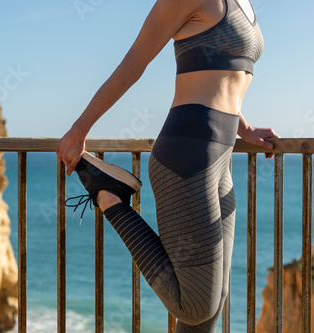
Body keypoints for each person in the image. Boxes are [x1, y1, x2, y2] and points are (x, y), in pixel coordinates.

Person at [56, 0, 279, 331]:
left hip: (222, 158)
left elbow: (226, 74)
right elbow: (134, 64)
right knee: (194, 307)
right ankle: (109, 197)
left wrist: (245, 129)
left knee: (214, 303)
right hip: (186, 156)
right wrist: (80, 129)